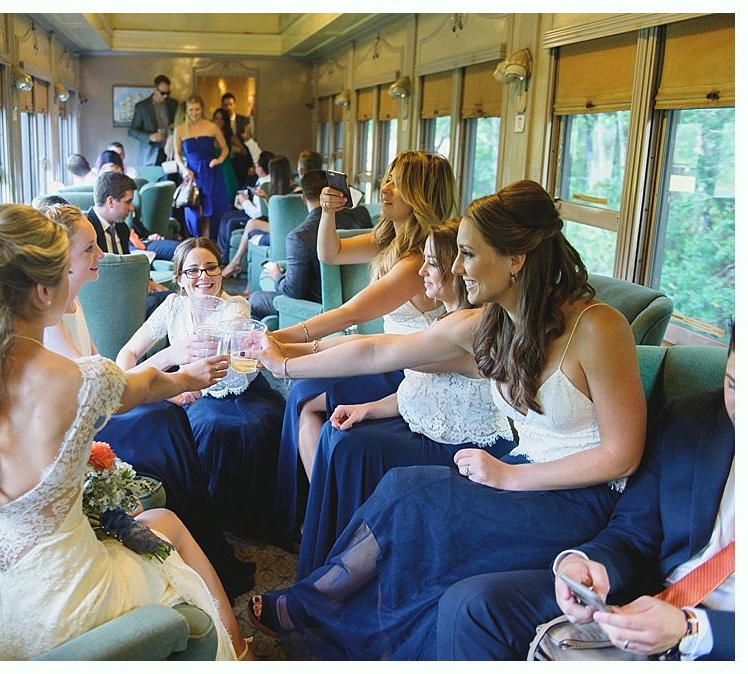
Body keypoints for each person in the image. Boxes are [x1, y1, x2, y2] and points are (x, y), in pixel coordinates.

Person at [246, 180, 646, 660]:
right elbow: (379, 350)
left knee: (417, 500)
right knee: (402, 488)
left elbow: (622, 456)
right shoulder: (493, 322)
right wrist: (283, 359)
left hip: (580, 498)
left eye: (468, 255)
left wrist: (511, 477)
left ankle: (314, 605)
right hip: (520, 471)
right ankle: (319, 603)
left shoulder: (599, 327)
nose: (456, 268)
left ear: (515, 259)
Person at [0, 203, 252, 660]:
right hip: (66, 604)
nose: (83, 273)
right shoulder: (78, 380)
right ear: (43, 289)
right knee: (166, 528)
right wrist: (187, 377)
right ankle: (239, 655)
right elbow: (144, 385)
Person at [435, 332, 735, 661]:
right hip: (647, 599)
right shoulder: (693, 419)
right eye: (734, 385)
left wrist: (692, 629)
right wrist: (586, 563)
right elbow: (634, 534)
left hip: (721, 639)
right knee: (472, 605)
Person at [39, 203, 254, 601]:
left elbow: (101, 366)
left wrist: (168, 384)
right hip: (73, 418)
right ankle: (207, 552)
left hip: (96, 403)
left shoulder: (74, 303)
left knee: (164, 418)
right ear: (58, 256)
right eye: (90, 248)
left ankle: (206, 548)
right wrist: (176, 373)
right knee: (160, 421)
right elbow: (100, 387)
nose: (102, 255)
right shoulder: (46, 312)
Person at [295, 217, 515, 579]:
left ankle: (349, 567)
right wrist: (368, 408)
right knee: (341, 434)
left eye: (431, 263)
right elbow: (419, 388)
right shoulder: (446, 316)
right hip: (424, 421)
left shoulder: (467, 327)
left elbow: (374, 350)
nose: (423, 272)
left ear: (455, 271)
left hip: (459, 446)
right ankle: (334, 551)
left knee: (349, 445)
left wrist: (289, 359)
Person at [268, 151, 457, 546]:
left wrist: (286, 339)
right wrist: (328, 213)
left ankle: (325, 514)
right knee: (303, 399)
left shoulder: (413, 261)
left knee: (304, 397)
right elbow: (330, 253)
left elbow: (349, 313)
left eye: (397, 182)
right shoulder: (391, 238)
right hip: (385, 355)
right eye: (386, 178)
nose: (384, 188)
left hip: (408, 365)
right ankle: (323, 510)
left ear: (420, 195)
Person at [117, 238, 285, 544]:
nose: (204, 277)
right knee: (210, 425)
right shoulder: (172, 307)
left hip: (241, 391)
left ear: (222, 271)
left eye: (211, 268)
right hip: (193, 393)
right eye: (193, 271)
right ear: (179, 278)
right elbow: (127, 354)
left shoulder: (235, 306)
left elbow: (225, 336)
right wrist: (168, 387)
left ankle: (250, 520)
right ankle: (212, 518)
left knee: (260, 423)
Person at [246, 170, 373, 320]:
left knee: (254, 299)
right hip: (366, 303)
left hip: (319, 309)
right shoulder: (362, 214)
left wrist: (277, 276)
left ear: (303, 199)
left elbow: (294, 291)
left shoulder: (299, 237)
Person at [221, 154, 296, 278]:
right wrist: (266, 198)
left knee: (252, 223)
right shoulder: (295, 190)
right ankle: (235, 262)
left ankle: (235, 262)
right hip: (286, 228)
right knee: (250, 224)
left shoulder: (280, 195)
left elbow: (277, 218)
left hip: (282, 229)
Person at [174, 95, 230, 240]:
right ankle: (195, 241)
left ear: (202, 109)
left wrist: (219, 160)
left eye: (197, 109)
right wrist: (185, 170)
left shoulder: (212, 126)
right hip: (192, 173)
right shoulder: (179, 129)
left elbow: (225, 148)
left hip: (211, 171)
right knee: (195, 211)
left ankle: (209, 243)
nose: (194, 113)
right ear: (186, 110)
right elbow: (178, 155)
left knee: (211, 210)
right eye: (191, 110)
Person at [216, 150, 275, 263]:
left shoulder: (265, 184)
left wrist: (244, 202)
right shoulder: (261, 180)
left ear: (261, 168)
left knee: (230, 222)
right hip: (251, 212)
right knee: (227, 216)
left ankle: (225, 259)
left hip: (259, 218)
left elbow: (258, 213)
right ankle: (221, 253)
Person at [128, 74, 178, 166]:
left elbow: (179, 122)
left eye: (168, 93)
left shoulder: (173, 104)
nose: (166, 96)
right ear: (155, 89)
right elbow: (132, 131)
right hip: (150, 153)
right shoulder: (142, 107)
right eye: (163, 93)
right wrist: (149, 137)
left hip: (170, 150)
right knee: (151, 178)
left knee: (171, 179)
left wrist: (174, 126)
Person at [87, 171, 134, 256]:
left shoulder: (123, 228)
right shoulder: (86, 230)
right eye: (128, 202)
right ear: (111, 202)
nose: (132, 208)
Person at [221, 92, 253, 187]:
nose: (228, 108)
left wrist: (250, 163)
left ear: (234, 105)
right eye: (225, 105)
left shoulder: (243, 120)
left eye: (230, 104)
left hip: (241, 160)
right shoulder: (220, 121)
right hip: (226, 159)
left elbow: (249, 140)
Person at [211, 108, 240, 200]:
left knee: (228, 197)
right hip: (213, 170)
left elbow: (243, 151)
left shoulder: (229, 135)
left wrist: (232, 149)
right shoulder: (209, 135)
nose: (219, 121)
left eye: (221, 119)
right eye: (216, 118)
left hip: (226, 170)